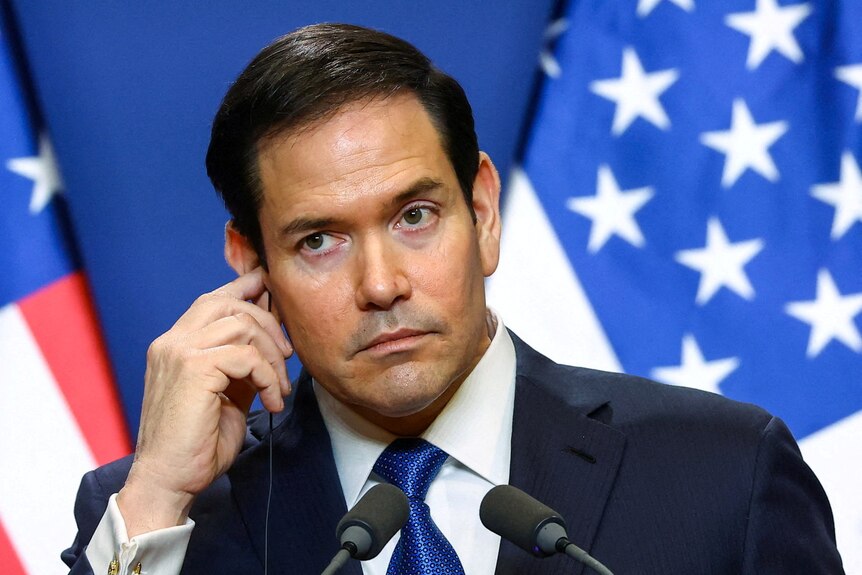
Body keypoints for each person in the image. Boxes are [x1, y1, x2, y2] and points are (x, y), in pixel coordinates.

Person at [63, 23, 844, 574]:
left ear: (483, 212)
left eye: (415, 216)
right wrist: (158, 497)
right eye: (317, 241)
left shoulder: (723, 474)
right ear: (250, 262)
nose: (380, 285)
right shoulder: (158, 516)